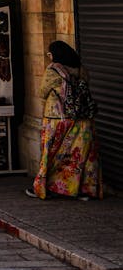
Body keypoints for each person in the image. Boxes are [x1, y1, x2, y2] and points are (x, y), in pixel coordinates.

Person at [26, 41, 102, 200]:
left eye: (50, 54)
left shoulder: (53, 70)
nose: (49, 57)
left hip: (57, 119)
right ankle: (82, 190)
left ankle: (43, 187)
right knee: (79, 156)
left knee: (51, 155)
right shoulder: (81, 70)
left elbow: (42, 92)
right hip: (82, 119)